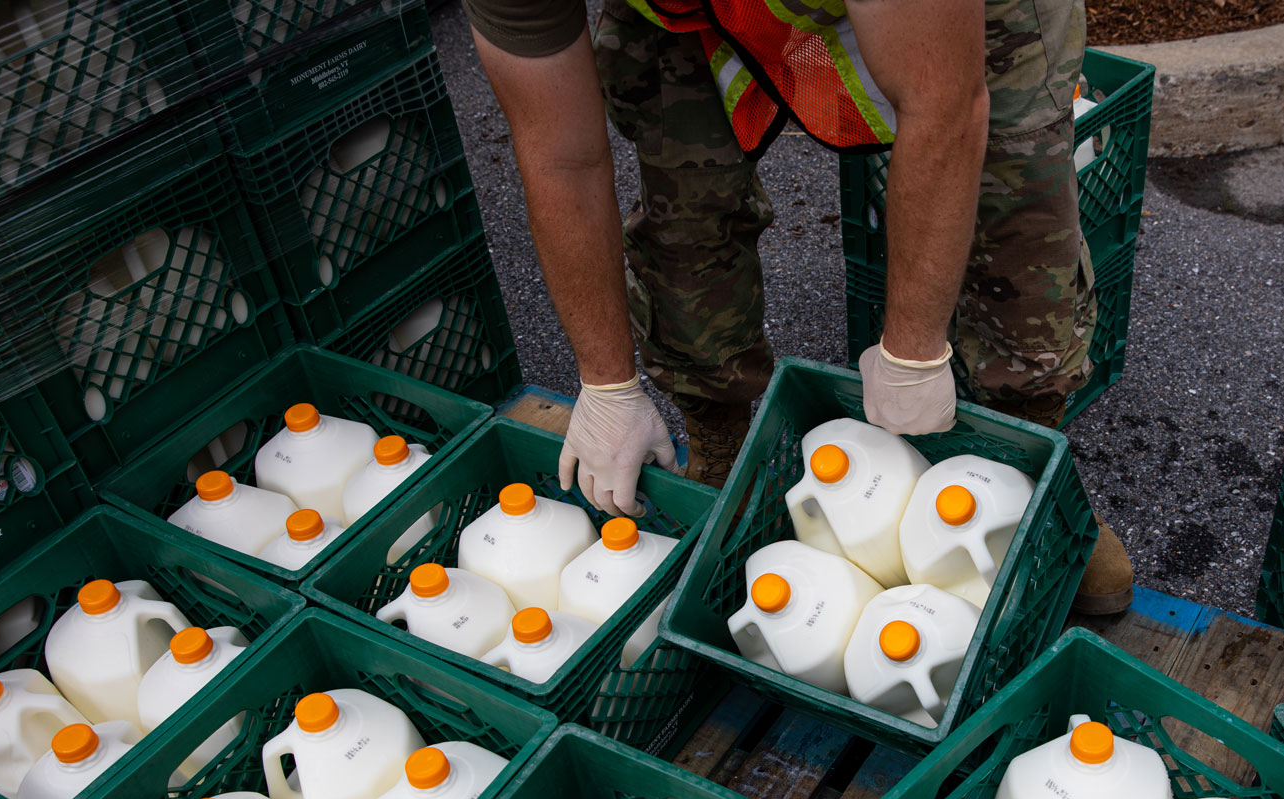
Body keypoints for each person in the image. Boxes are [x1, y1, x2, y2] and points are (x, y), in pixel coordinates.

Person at [462, 0, 1133, 613]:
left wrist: (914, 351)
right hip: (686, 11)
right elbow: (560, 159)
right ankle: (720, 458)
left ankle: (1027, 476)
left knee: (1018, 201)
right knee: (684, 204)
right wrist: (606, 383)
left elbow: (946, 105)